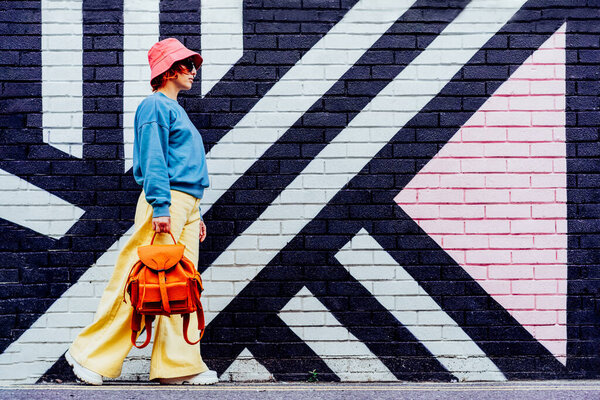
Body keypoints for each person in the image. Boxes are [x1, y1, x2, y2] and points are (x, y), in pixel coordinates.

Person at [64, 38, 217, 386]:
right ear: (169, 70)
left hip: (185, 204)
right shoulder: (155, 106)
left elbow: (181, 163)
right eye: (186, 65)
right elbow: (153, 161)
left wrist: (196, 212)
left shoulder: (176, 110)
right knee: (138, 281)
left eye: (193, 65)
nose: (193, 72)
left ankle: (178, 365)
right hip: (166, 202)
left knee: (181, 286)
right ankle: (89, 354)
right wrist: (163, 206)